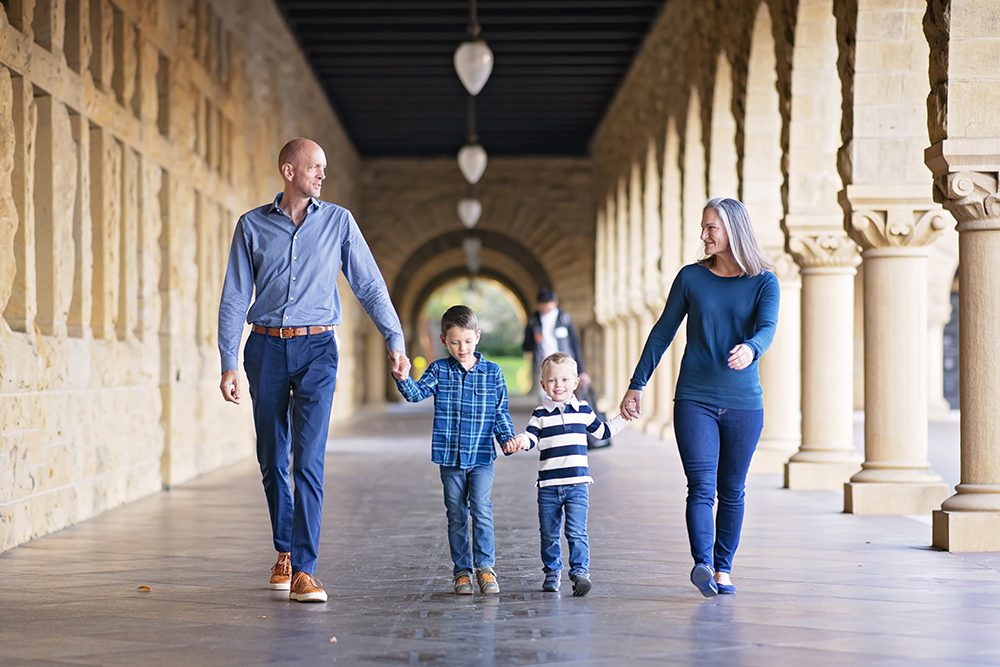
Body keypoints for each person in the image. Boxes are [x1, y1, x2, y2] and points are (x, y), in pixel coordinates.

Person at [218, 138, 408, 604]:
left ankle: (304, 568)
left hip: (319, 348)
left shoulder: (339, 222)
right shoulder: (252, 226)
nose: (322, 175)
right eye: (315, 167)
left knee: (308, 458)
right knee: (271, 457)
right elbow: (234, 297)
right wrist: (227, 362)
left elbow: (368, 283)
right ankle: (284, 549)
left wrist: (395, 338)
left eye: (324, 167)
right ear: (288, 170)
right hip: (263, 348)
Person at [619, 197, 779, 598]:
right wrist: (636, 384)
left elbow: (767, 328)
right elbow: (662, 332)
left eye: (712, 228)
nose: (704, 235)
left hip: (744, 403)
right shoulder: (691, 278)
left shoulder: (765, 282)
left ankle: (724, 568)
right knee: (701, 488)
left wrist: (752, 349)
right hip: (694, 398)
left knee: (733, 489)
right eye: (703, 227)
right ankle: (703, 564)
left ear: (733, 231)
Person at [395, 305, 520, 595]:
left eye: (466, 341)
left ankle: (486, 568)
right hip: (449, 457)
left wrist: (507, 439)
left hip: (481, 457)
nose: (461, 348)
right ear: (443, 341)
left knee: (482, 509)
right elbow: (415, 395)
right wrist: (402, 377)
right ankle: (461, 571)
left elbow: (500, 411)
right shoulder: (439, 370)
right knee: (456, 513)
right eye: (454, 342)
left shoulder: (493, 372)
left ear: (477, 336)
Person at [503, 352, 626, 597]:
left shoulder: (582, 410)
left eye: (564, 380)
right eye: (552, 381)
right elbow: (531, 438)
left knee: (576, 531)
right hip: (548, 485)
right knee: (548, 532)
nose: (558, 385)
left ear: (575, 382)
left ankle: (580, 572)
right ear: (543, 384)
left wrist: (625, 417)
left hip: (577, 485)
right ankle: (552, 571)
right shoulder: (540, 413)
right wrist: (519, 441)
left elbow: (602, 432)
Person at [523, 289, 590, 395]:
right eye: (542, 304)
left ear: (555, 303)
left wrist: (581, 371)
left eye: (547, 303)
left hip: (564, 363)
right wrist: (534, 340)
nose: (545, 307)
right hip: (543, 364)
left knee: (564, 392)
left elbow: (575, 344)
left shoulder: (564, 318)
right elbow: (526, 346)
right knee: (545, 394)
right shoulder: (533, 320)